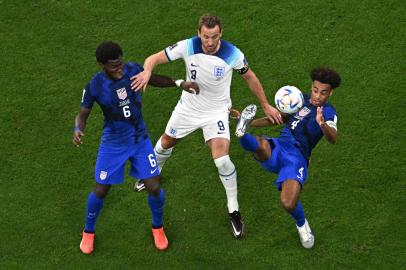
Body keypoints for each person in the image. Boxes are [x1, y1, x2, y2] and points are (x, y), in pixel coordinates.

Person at [130, 14, 283, 239]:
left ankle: (234, 211)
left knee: (221, 159)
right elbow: (153, 58)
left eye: (214, 37)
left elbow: (250, 77)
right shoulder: (187, 46)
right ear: (199, 33)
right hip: (188, 108)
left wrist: (266, 104)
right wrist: (147, 71)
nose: (209, 42)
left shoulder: (233, 54)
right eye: (205, 37)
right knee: (164, 144)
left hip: (216, 112)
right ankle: (153, 174)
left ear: (220, 34)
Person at [73, 41, 199, 254]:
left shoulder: (132, 69)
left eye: (120, 62)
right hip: (113, 143)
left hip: (139, 140)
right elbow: (83, 114)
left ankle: (158, 227)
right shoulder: (95, 85)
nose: (119, 68)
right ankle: (88, 231)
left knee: (154, 186)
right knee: (101, 189)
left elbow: (154, 79)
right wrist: (78, 128)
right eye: (114, 65)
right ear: (101, 64)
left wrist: (180, 83)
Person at [234, 67, 341, 248]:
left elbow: (333, 138)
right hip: (280, 146)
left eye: (323, 93)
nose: (317, 96)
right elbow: (276, 119)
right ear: (312, 87)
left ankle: (302, 225)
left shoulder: (329, 112)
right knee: (260, 144)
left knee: (288, 202)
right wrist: (249, 121)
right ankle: (242, 131)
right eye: (315, 90)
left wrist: (322, 124)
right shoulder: (300, 99)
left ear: (331, 92)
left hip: (297, 157)